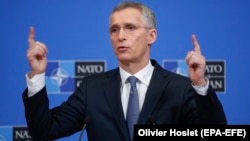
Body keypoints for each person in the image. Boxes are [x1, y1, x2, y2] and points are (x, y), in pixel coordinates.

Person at [22, 1, 227, 141]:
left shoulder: (180, 88)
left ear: (151, 36)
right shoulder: (92, 88)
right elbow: (43, 132)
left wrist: (200, 85)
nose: (120, 36)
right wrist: (38, 76)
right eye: (114, 29)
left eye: (130, 27)